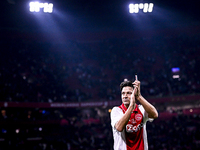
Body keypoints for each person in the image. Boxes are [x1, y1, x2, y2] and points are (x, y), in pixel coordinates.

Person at [110, 78, 158, 150]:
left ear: (134, 94)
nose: (125, 96)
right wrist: (131, 106)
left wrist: (139, 96)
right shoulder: (116, 110)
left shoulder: (141, 109)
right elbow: (119, 127)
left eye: (129, 93)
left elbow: (155, 115)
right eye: (123, 93)